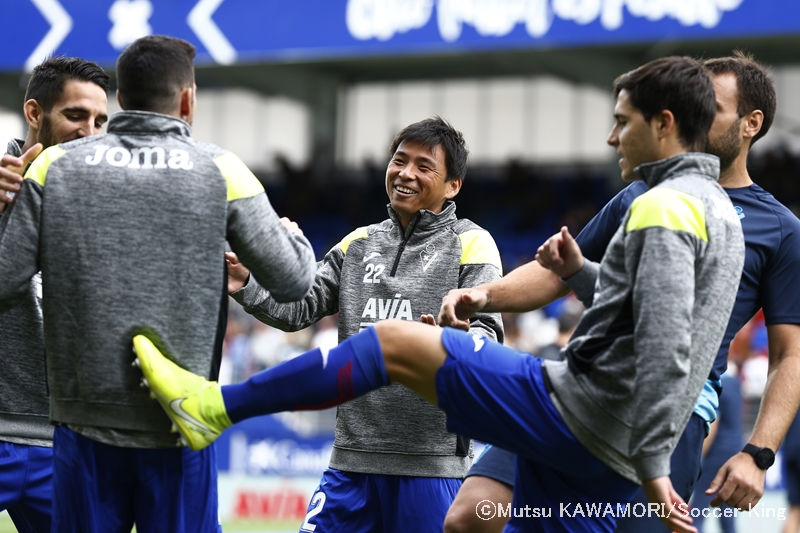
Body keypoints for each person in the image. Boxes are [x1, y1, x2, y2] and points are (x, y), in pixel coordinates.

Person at [133, 56, 744, 533]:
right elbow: (652, 315)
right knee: (471, 518)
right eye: (399, 160)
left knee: (394, 343)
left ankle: (212, 406)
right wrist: (582, 273)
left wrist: (656, 465)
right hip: (582, 436)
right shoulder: (720, 211)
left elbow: (666, 346)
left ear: (662, 125)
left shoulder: (660, 205)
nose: (612, 137)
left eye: (623, 121)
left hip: (574, 412)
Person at [439, 51, 800, 533]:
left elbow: (790, 355)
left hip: (670, 413)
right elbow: (555, 273)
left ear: (751, 123)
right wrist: (483, 296)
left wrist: (758, 452)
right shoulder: (640, 193)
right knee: (470, 515)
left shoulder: (780, 229)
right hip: (582, 386)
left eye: (710, 106)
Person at [0, 35, 316, 533]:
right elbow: (295, 281)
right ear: (187, 100)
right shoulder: (220, 167)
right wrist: (295, 241)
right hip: (178, 427)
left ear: (121, 99)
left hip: (82, 428)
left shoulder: (54, 167)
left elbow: (4, 280)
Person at [223, 116, 504, 532]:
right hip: (350, 463)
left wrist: (460, 344)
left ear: (453, 185)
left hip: (432, 468)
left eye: (424, 166)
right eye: (399, 160)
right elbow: (297, 308)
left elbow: (488, 335)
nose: (405, 173)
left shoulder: (473, 243)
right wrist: (246, 281)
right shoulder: (357, 243)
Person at [0, 56, 109, 533]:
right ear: (33, 112)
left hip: (63, 444)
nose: (90, 131)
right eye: (76, 115)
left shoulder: (103, 212)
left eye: (101, 121)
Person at [691, 364, 742, 533]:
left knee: (697, 512)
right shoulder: (736, 383)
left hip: (715, 455)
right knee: (727, 512)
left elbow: (713, 426)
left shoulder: (716, 386)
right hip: (734, 453)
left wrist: (697, 457)